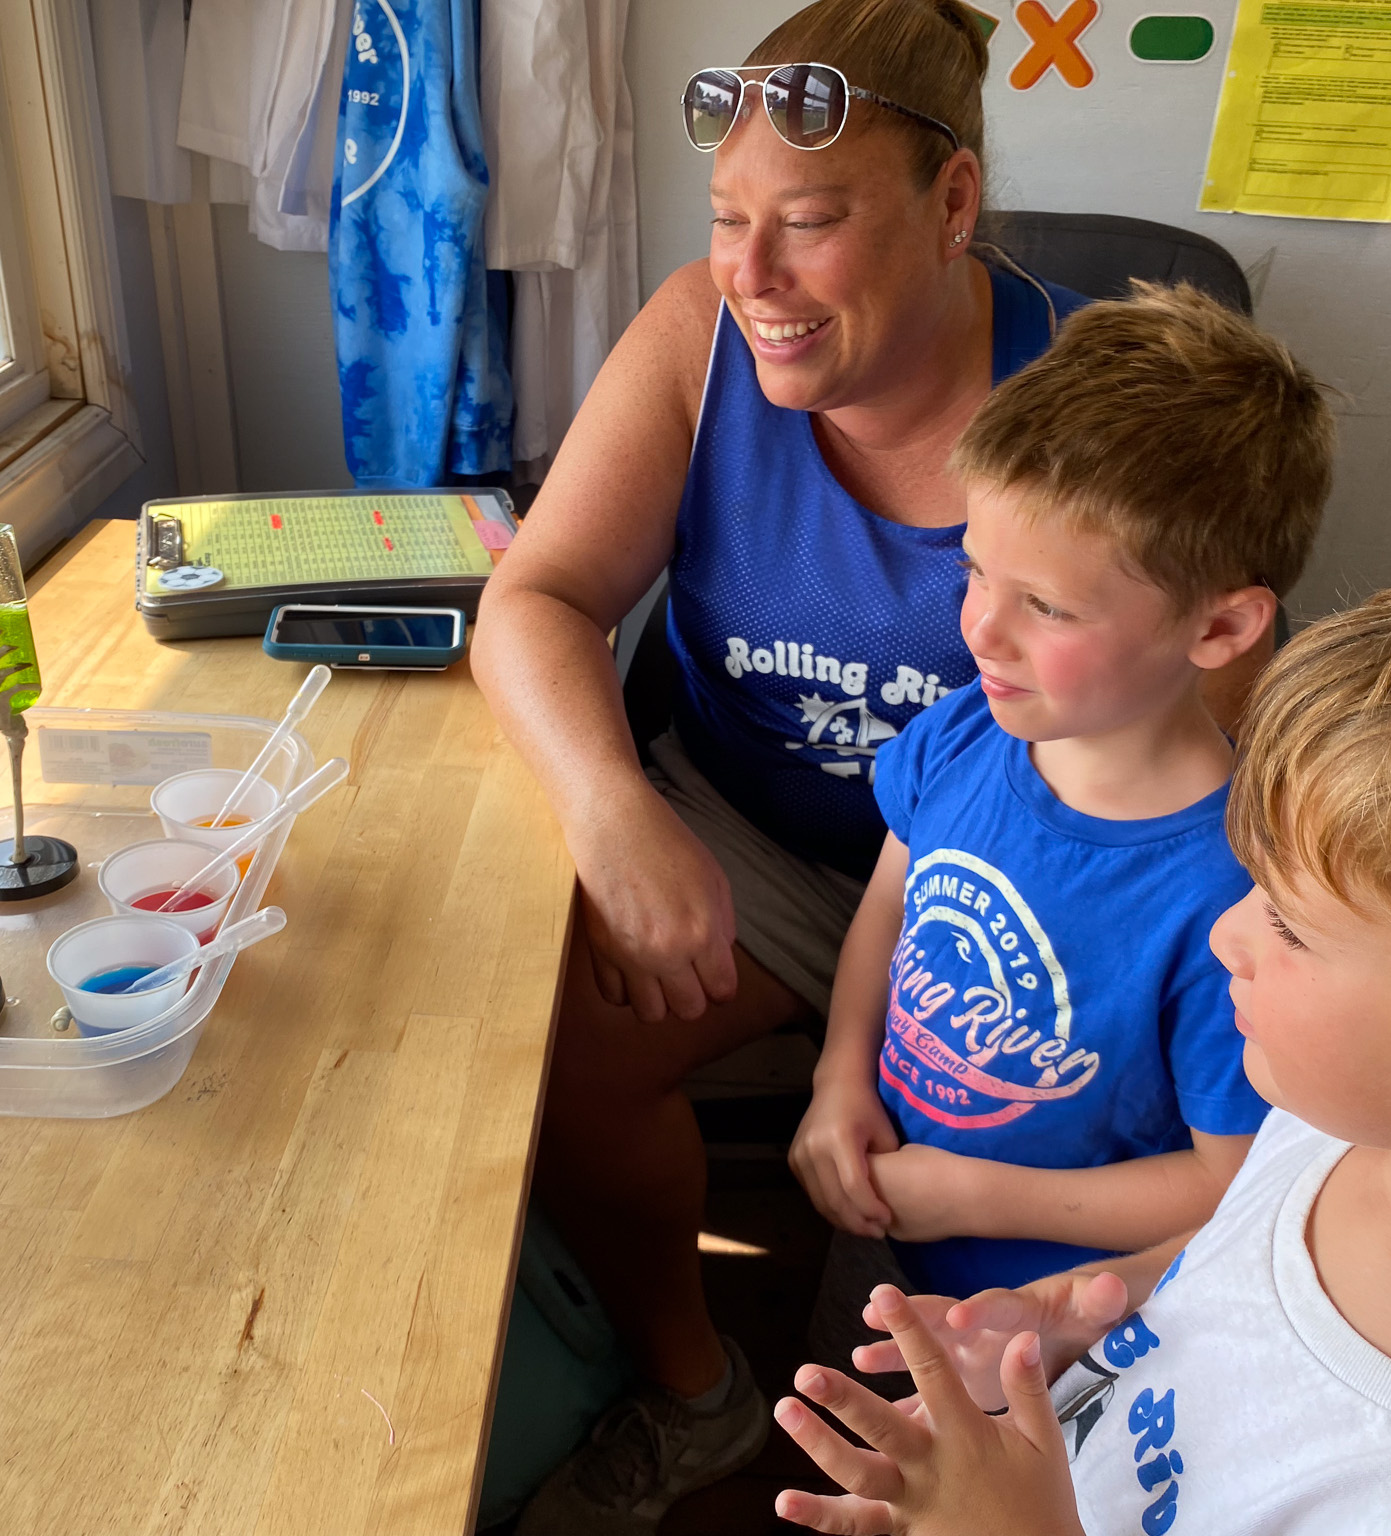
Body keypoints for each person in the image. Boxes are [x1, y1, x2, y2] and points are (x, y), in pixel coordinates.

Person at [471, 1, 1124, 1527]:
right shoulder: (695, 333)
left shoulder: (1103, 394)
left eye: (812, 223)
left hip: (1005, 870)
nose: (751, 275)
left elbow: (1207, 728)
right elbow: (538, 598)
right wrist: (612, 813)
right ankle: (693, 1393)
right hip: (753, 831)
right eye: (728, 220)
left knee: (986, 1199)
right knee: (554, 1056)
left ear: (952, 203)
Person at [768, 529, 1391, 1535]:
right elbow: (1249, 1262)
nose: (1226, 932)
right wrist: (1087, 1312)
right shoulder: (1361, 1121)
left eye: (1292, 926)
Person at [790, 285, 1334, 1332]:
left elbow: (1230, 1181)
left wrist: (972, 1197)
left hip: (1053, 1321)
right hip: (880, 1219)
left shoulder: (1237, 897)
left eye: (1044, 605)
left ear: (1220, 630)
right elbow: (887, 914)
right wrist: (837, 1076)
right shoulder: (965, 732)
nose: (980, 631)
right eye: (976, 573)